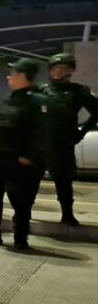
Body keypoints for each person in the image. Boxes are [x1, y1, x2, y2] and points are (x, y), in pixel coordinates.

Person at [0, 59, 45, 250]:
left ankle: (20, 238)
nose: (8, 77)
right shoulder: (9, 99)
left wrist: (29, 156)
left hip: (19, 161)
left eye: (13, 73)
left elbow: (43, 133)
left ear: (23, 76)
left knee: (20, 202)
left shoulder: (37, 101)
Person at [37, 53, 98, 226]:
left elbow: (97, 111)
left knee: (63, 181)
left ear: (70, 70)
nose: (56, 71)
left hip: (62, 144)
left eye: (61, 67)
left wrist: (81, 132)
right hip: (39, 143)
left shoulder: (79, 91)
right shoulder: (41, 90)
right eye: (54, 67)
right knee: (30, 180)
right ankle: (24, 213)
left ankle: (67, 214)